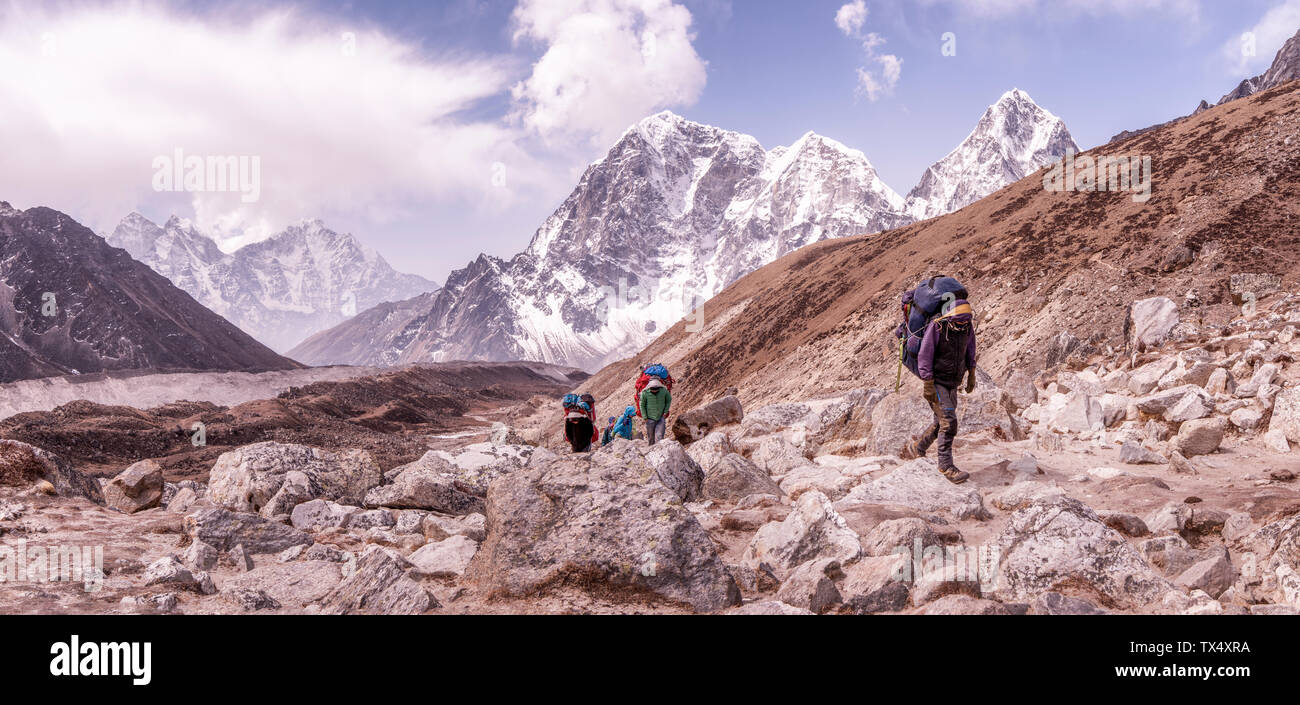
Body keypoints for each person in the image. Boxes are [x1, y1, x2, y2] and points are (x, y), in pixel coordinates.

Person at [901, 297, 976, 484]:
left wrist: (971, 371)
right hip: (937, 382)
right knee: (949, 421)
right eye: (960, 321)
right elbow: (925, 355)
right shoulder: (937, 327)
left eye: (966, 320)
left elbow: (970, 348)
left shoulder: (966, 326)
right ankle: (946, 466)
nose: (963, 324)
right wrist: (927, 382)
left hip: (953, 381)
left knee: (940, 422)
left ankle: (917, 447)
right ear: (950, 317)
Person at [639, 377, 671, 445]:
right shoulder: (645, 393)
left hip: (661, 417)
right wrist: (645, 417)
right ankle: (651, 451)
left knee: (659, 437)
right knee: (651, 438)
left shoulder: (664, 391)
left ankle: (659, 452)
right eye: (653, 389)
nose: (654, 391)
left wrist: (665, 411)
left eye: (656, 389)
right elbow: (642, 405)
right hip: (649, 419)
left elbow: (668, 400)